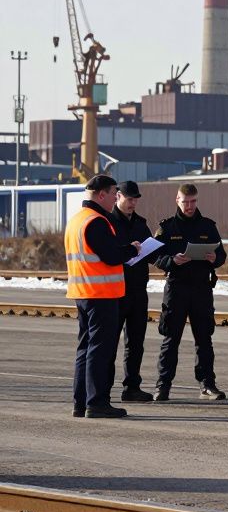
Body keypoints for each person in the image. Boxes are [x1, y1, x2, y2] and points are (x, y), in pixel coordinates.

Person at [66, 174, 140, 418]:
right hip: (101, 295)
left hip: (83, 292)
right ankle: (96, 402)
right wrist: (132, 250)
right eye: (113, 194)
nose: (115, 199)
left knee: (85, 348)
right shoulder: (96, 221)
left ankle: (81, 402)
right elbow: (110, 255)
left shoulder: (77, 220)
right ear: (101, 195)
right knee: (99, 350)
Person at [152, 183, 227, 401]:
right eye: (186, 202)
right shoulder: (167, 227)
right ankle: (163, 386)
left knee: (204, 339)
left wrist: (216, 259)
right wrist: (171, 260)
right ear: (177, 200)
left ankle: (207, 384)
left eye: (193, 202)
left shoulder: (208, 226)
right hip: (177, 288)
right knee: (170, 338)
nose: (190, 206)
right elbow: (155, 257)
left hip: (201, 288)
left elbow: (221, 254)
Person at [109, 180, 155, 403]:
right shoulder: (108, 222)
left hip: (138, 290)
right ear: (118, 196)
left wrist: (168, 258)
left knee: (136, 342)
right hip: (116, 290)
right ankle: (103, 387)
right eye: (129, 198)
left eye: (136, 199)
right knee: (110, 341)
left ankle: (132, 387)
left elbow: (151, 252)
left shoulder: (140, 223)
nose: (133, 203)